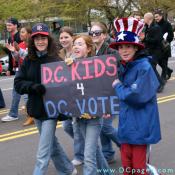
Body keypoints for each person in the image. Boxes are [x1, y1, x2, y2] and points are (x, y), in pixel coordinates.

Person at [14, 23, 77, 175]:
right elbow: (18, 83)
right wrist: (33, 87)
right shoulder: (28, 60)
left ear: (48, 40)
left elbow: (68, 85)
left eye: (43, 38)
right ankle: (68, 169)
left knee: (43, 152)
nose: (40, 41)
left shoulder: (55, 59)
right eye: (37, 39)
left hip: (51, 111)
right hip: (36, 109)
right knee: (51, 144)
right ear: (33, 41)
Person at [110, 17, 161, 175]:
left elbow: (136, 96)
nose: (124, 50)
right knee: (127, 167)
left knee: (139, 169)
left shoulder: (144, 67)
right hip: (126, 127)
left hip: (141, 127)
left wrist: (118, 86)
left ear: (136, 48)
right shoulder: (124, 66)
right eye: (121, 47)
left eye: (128, 46)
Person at [67, 34, 111, 175]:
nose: (76, 46)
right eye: (74, 44)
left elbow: (105, 87)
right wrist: (66, 69)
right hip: (79, 118)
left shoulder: (97, 64)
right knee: (94, 150)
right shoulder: (69, 65)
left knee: (89, 156)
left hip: (94, 117)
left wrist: (107, 106)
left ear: (88, 48)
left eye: (80, 44)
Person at [89, 21, 121, 163]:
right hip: (98, 94)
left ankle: (127, 146)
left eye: (97, 33)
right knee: (101, 126)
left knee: (106, 126)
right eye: (92, 33)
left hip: (111, 94)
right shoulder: (90, 52)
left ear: (104, 35)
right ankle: (108, 153)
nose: (94, 35)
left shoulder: (111, 52)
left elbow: (119, 70)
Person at [59, 26, 85, 166]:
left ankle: (80, 155)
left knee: (76, 125)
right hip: (66, 95)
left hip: (79, 94)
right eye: (61, 37)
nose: (63, 40)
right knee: (67, 126)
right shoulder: (59, 54)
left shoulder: (77, 51)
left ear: (72, 37)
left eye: (66, 37)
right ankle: (84, 145)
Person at [5, 26, 34, 126]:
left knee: (27, 96)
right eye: (20, 32)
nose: (21, 34)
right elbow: (17, 59)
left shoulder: (33, 44)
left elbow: (30, 56)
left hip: (30, 72)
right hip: (22, 71)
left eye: (23, 32)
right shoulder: (21, 44)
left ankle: (31, 116)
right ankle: (25, 114)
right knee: (18, 93)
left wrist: (19, 50)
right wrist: (13, 51)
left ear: (29, 34)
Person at [1, 18, 23, 122]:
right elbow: (11, 54)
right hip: (18, 67)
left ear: (15, 25)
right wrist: (10, 68)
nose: (8, 27)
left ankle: (13, 114)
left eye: (9, 25)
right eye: (7, 25)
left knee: (16, 90)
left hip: (24, 66)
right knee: (20, 90)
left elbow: (22, 52)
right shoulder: (11, 38)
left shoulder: (20, 36)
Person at [141, 12, 165, 93]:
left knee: (152, 68)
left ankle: (160, 84)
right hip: (150, 51)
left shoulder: (155, 27)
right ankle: (157, 83)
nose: (143, 20)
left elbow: (157, 40)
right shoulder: (148, 27)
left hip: (156, 51)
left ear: (148, 18)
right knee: (151, 68)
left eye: (144, 18)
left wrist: (145, 39)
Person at [154, 9, 174, 80]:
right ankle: (168, 71)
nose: (156, 18)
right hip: (157, 48)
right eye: (155, 17)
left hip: (165, 47)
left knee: (164, 62)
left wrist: (166, 42)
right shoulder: (155, 24)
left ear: (161, 16)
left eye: (157, 16)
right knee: (159, 61)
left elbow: (171, 35)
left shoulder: (167, 24)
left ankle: (163, 79)